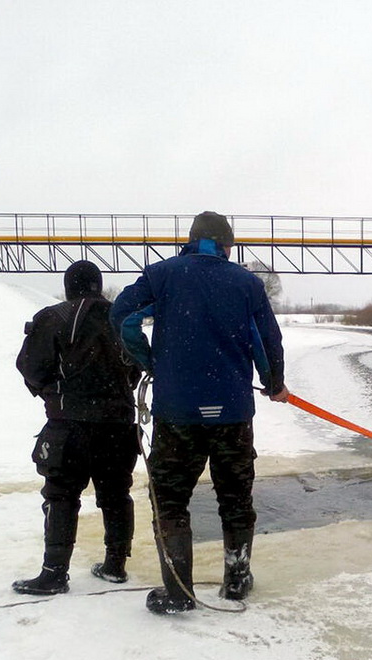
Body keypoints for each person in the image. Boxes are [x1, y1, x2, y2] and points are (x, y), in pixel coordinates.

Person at [110, 211, 288, 614]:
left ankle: (177, 591)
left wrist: (151, 361)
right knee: (236, 497)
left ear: (192, 241)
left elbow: (123, 318)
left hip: (178, 414)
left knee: (170, 500)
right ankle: (237, 581)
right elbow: (266, 339)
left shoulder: (163, 274)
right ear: (226, 246)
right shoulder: (246, 283)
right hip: (233, 414)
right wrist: (273, 382)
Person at [12, 260, 143, 595]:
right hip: (117, 425)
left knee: (61, 495)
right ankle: (115, 564)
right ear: (98, 285)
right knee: (115, 494)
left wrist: (52, 394)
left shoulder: (52, 317)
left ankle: (54, 572)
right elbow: (137, 367)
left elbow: (29, 366)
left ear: (69, 285)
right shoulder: (122, 318)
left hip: (69, 425)